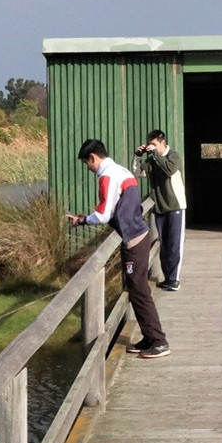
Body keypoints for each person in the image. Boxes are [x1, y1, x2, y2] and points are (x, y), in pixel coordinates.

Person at [65, 138, 170, 359]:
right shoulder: (120, 170)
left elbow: (104, 214)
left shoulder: (106, 175)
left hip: (133, 240)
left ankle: (159, 341)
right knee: (138, 290)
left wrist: (83, 220)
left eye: (87, 163)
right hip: (138, 234)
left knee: (139, 292)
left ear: (93, 157)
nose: (88, 168)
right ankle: (150, 338)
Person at [133, 129, 187, 292]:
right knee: (163, 245)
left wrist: (156, 155)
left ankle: (174, 279)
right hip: (160, 208)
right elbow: (137, 173)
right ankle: (167, 278)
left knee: (174, 245)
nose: (151, 147)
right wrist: (137, 156)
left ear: (163, 143)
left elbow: (169, 170)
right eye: (149, 144)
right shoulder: (152, 159)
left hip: (175, 206)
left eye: (154, 144)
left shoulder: (174, 156)